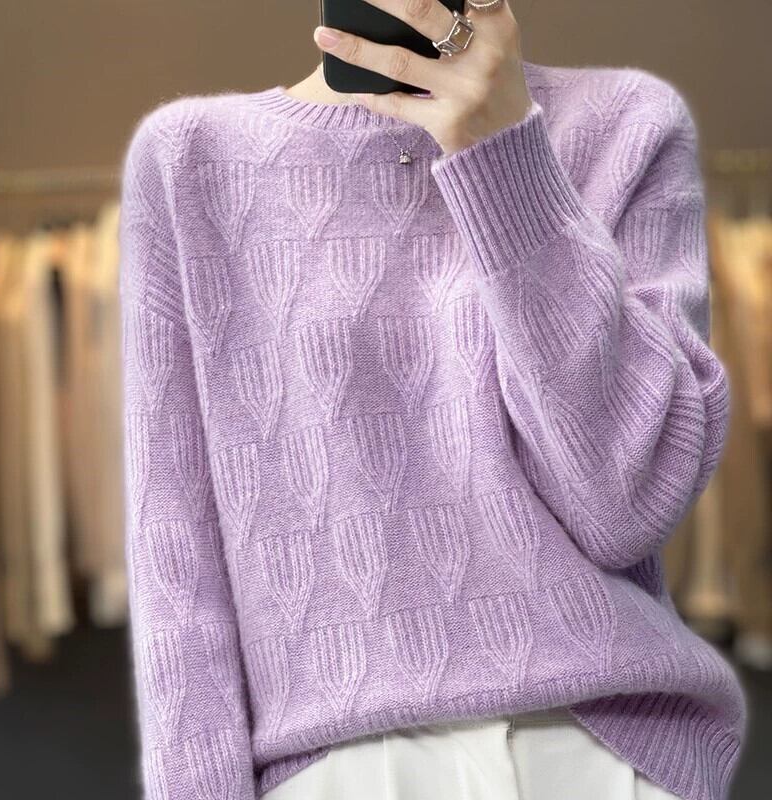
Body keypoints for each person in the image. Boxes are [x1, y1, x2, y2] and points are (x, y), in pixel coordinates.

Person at [117, 2, 747, 799]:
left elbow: (626, 503)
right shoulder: (190, 159)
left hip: (600, 749)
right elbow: (177, 564)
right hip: (340, 767)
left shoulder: (628, 125)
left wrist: (505, 153)